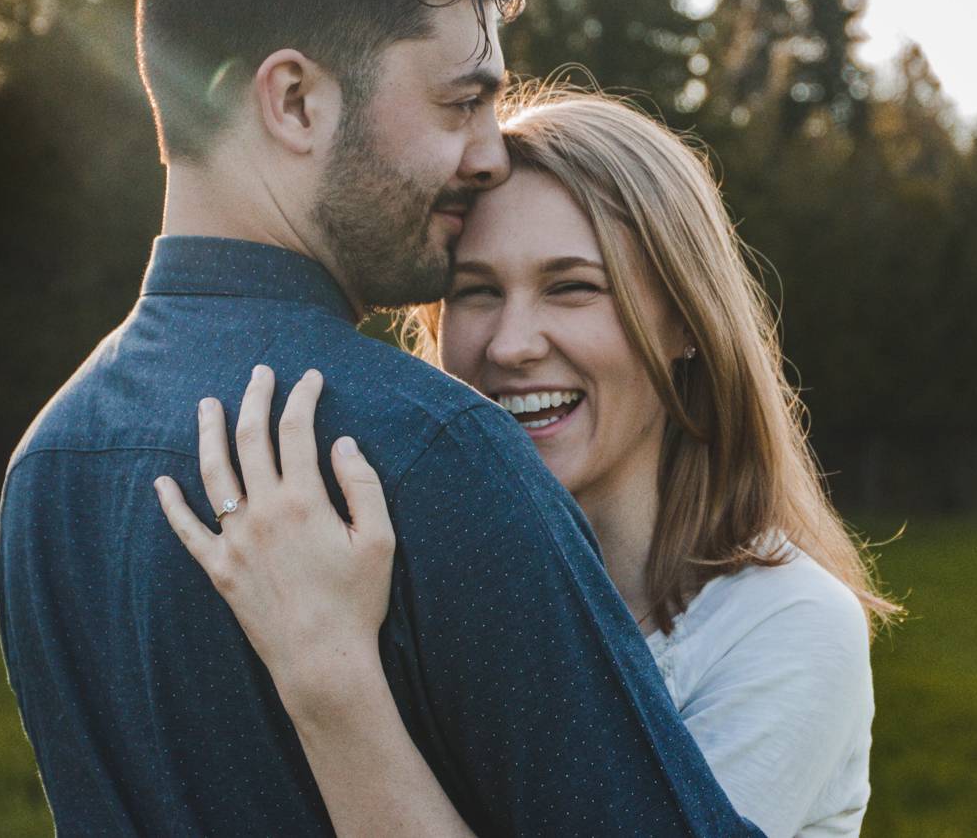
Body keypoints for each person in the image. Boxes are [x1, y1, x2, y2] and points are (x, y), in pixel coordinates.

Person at [0, 0, 768, 835]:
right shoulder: (427, 454)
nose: (491, 154)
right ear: (296, 99)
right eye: (460, 101)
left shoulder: (49, 468)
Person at [157, 88, 902, 837]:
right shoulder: (405, 585)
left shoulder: (784, 626)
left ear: (687, 322)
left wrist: (328, 677)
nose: (512, 344)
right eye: (478, 292)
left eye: (572, 288)